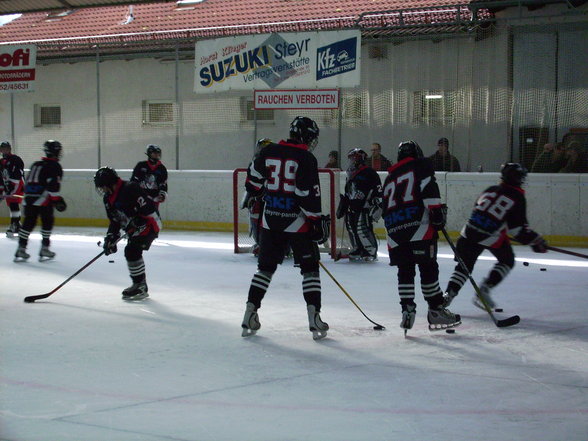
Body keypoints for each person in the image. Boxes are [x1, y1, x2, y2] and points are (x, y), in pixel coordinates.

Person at [241, 116, 331, 340]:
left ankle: (249, 313)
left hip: (270, 220)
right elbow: (306, 194)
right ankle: (314, 318)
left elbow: (252, 183)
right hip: (297, 222)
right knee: (310, 269)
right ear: (306, 137)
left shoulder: (267, 151)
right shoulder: (306, 158)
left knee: (265, 269)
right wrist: (316, 222)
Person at [443, 163, 548, 310]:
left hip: (468, 234)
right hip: (490, 236)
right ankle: (484, 290)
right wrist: (536, 240)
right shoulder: (517, 196)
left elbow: (480, 212)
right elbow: (518, 230)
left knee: (463, 267)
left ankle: (448, 295)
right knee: (507, 260)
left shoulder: (490, 190)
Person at [382, 141, 461, 333]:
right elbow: (429, 189)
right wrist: (436, 213)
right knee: (428, 267)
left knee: (405, 270)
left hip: (395, 231)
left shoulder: (389, 177)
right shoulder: (421, 165)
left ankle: (407, 309)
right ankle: (435, 309)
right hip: (418, 227)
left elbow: (383, 208)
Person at [94, 166, 162, 301]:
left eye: (103, 186)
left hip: (149, 222)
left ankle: (140, 286)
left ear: (110, 183)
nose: (102, 190)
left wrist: (139, 219)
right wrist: (111, 237)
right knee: (131, 252)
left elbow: (148, 207)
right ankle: (140, 284)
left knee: (132, 250)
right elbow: (114, 221)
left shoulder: (130, 188)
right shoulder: (108, 199)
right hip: (133, 227)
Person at [14, 140, 66, 262]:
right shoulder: (55, 166)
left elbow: (27, 183)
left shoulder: (36, 164)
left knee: (28, 223)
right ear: (56, 152)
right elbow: (53, 185)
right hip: (43, 200)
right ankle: (45, 248)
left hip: (28, 199)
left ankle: (21, 248)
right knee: (47, 222)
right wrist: (57, 199)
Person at [336, 148, 382, 262]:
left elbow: (378, 190)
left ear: (359, 159)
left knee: (362, 228)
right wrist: (344, 204)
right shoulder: (350, 173)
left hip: (364, 206)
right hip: (352, 206)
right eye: (350, 158)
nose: (351, 161)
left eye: (353, 158)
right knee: (351, 227)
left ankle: (370, 250)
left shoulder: (369, 172)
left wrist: (376, 203)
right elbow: (348, 190)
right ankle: (357, 248)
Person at [0, 141, 25, 238]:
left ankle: (14, 225)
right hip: (8, 186)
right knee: (12, 205)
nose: (4, 150)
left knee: (14, 204)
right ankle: (17, 224)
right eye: (2, 148)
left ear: (9, 149)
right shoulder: (1, 162)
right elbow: (1, 178)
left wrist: (12, 188)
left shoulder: (16, 159)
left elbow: (18, 175)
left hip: (17, 185)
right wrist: (2, 190)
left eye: (6, 148)